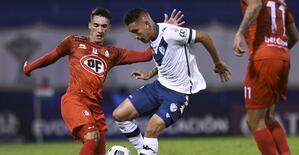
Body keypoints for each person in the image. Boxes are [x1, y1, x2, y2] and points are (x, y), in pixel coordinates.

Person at [22, 8, 184, 155]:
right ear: (90, 25)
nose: (100, 30)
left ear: (108, 28)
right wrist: (29, 68)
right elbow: (52, 56)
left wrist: (164, 29)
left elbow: (145, 56)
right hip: (75, 100)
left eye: (104, 26)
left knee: (99, 151)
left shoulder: (112, 53)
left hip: (95, 107)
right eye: (96, 25)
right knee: (91, 136)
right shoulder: (73, 42)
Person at [112, 8, 231, 155]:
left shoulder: (170, 33)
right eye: (132, 33)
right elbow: (166, 60)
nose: (135, 36)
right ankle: (142, 151)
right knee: (119, 115)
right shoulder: (152, 36)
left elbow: (204, 36)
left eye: (136, 31)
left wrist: (217, 62)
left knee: (151, 129)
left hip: (177, 94)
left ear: (147, 24)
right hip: (159, 86)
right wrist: (150, 74)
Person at [233, 0, 299, 155]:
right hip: (283, 56)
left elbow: (255, 4)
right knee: (268, 117)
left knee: (254, 121)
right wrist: (277, 50)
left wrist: (239, 33)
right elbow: (294, 37)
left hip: (263, 57)